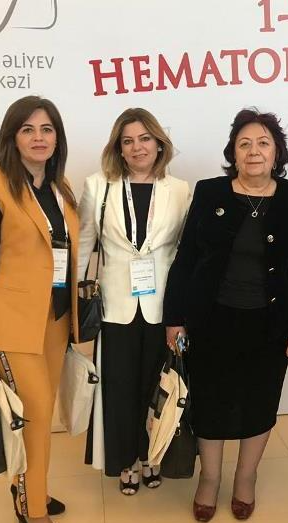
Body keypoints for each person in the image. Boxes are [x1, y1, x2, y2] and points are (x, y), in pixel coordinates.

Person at [163, 109, 288, 522]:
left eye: (263, 143)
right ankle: (210, 478)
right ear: (233, 151)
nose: (253, 151)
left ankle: (246, 477)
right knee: (210, 401)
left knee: (259, 402)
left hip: (270, 323)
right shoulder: (210, 191)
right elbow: (186, 257)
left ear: (277, 152)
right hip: (210, 320)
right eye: (244, 143)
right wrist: (174, 318)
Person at [0, 95, 79, 523]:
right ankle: (34, 509)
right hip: (13, 321)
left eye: (47, 129)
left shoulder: (61, 188)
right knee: (36, 412)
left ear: (57, 138)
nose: (38, 138)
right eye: (28, 129)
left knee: (39, 417)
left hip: (55, 318)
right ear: (12, 137)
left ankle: (31, 488)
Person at [77, 108, 191, 494]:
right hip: (115, 308)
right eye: (128, 141)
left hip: (165, 309)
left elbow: (185, 254)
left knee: (156, 388)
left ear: (159, 143)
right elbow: (84, 246)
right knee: (119, 389)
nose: (137, 147)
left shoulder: (180, 190)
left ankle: (151, 455)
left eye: (144, 138)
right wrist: (70, 300)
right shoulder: (98, 186)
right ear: (119, 149)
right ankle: (124, 460)